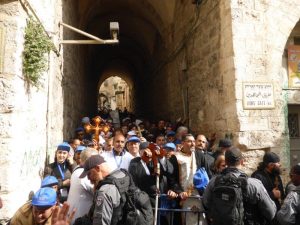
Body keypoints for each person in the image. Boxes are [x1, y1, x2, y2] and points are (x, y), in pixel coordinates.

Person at [203, 147, 277, 225]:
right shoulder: (254, 184)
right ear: (242, 162)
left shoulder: (214, 181)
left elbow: (206, 203)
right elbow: (271, 213)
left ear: (226, 162)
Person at [174, 134, 209, 225]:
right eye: (189, 141)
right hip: (183, 196)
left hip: (198, 194)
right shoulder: (176, 157)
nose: (193, 144)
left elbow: (207, 173)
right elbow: (172, 178)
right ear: (183, 143)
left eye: (193, 141)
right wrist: (179, 192)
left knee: (200, 220)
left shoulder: (199, 155)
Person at [67, 148, 98, 224]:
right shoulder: (83, 175)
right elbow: (99, 192)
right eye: (97, 160)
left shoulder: (78, 169)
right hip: (78, 218)